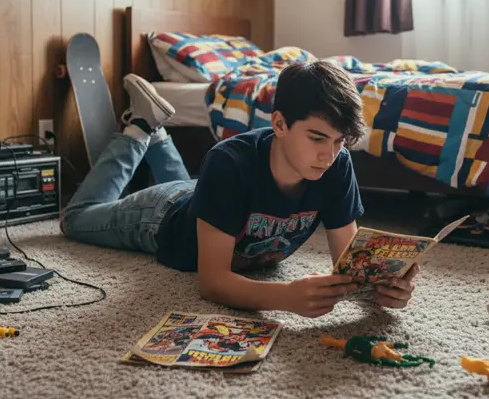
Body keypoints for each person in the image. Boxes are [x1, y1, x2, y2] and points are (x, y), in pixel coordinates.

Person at [61, 61, 418, 318]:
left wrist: (383, 289)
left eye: (340, 141)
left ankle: (159, 134)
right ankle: (141, 129)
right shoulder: (228, 162)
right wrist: (286, 297)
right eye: (317, 137)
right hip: (161, 216)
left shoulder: (336, 164)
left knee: (209, 192)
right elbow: (212, 282)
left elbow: (350, 269)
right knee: (75, 220)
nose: (329, 154)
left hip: (210, 199)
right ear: (279, 124)